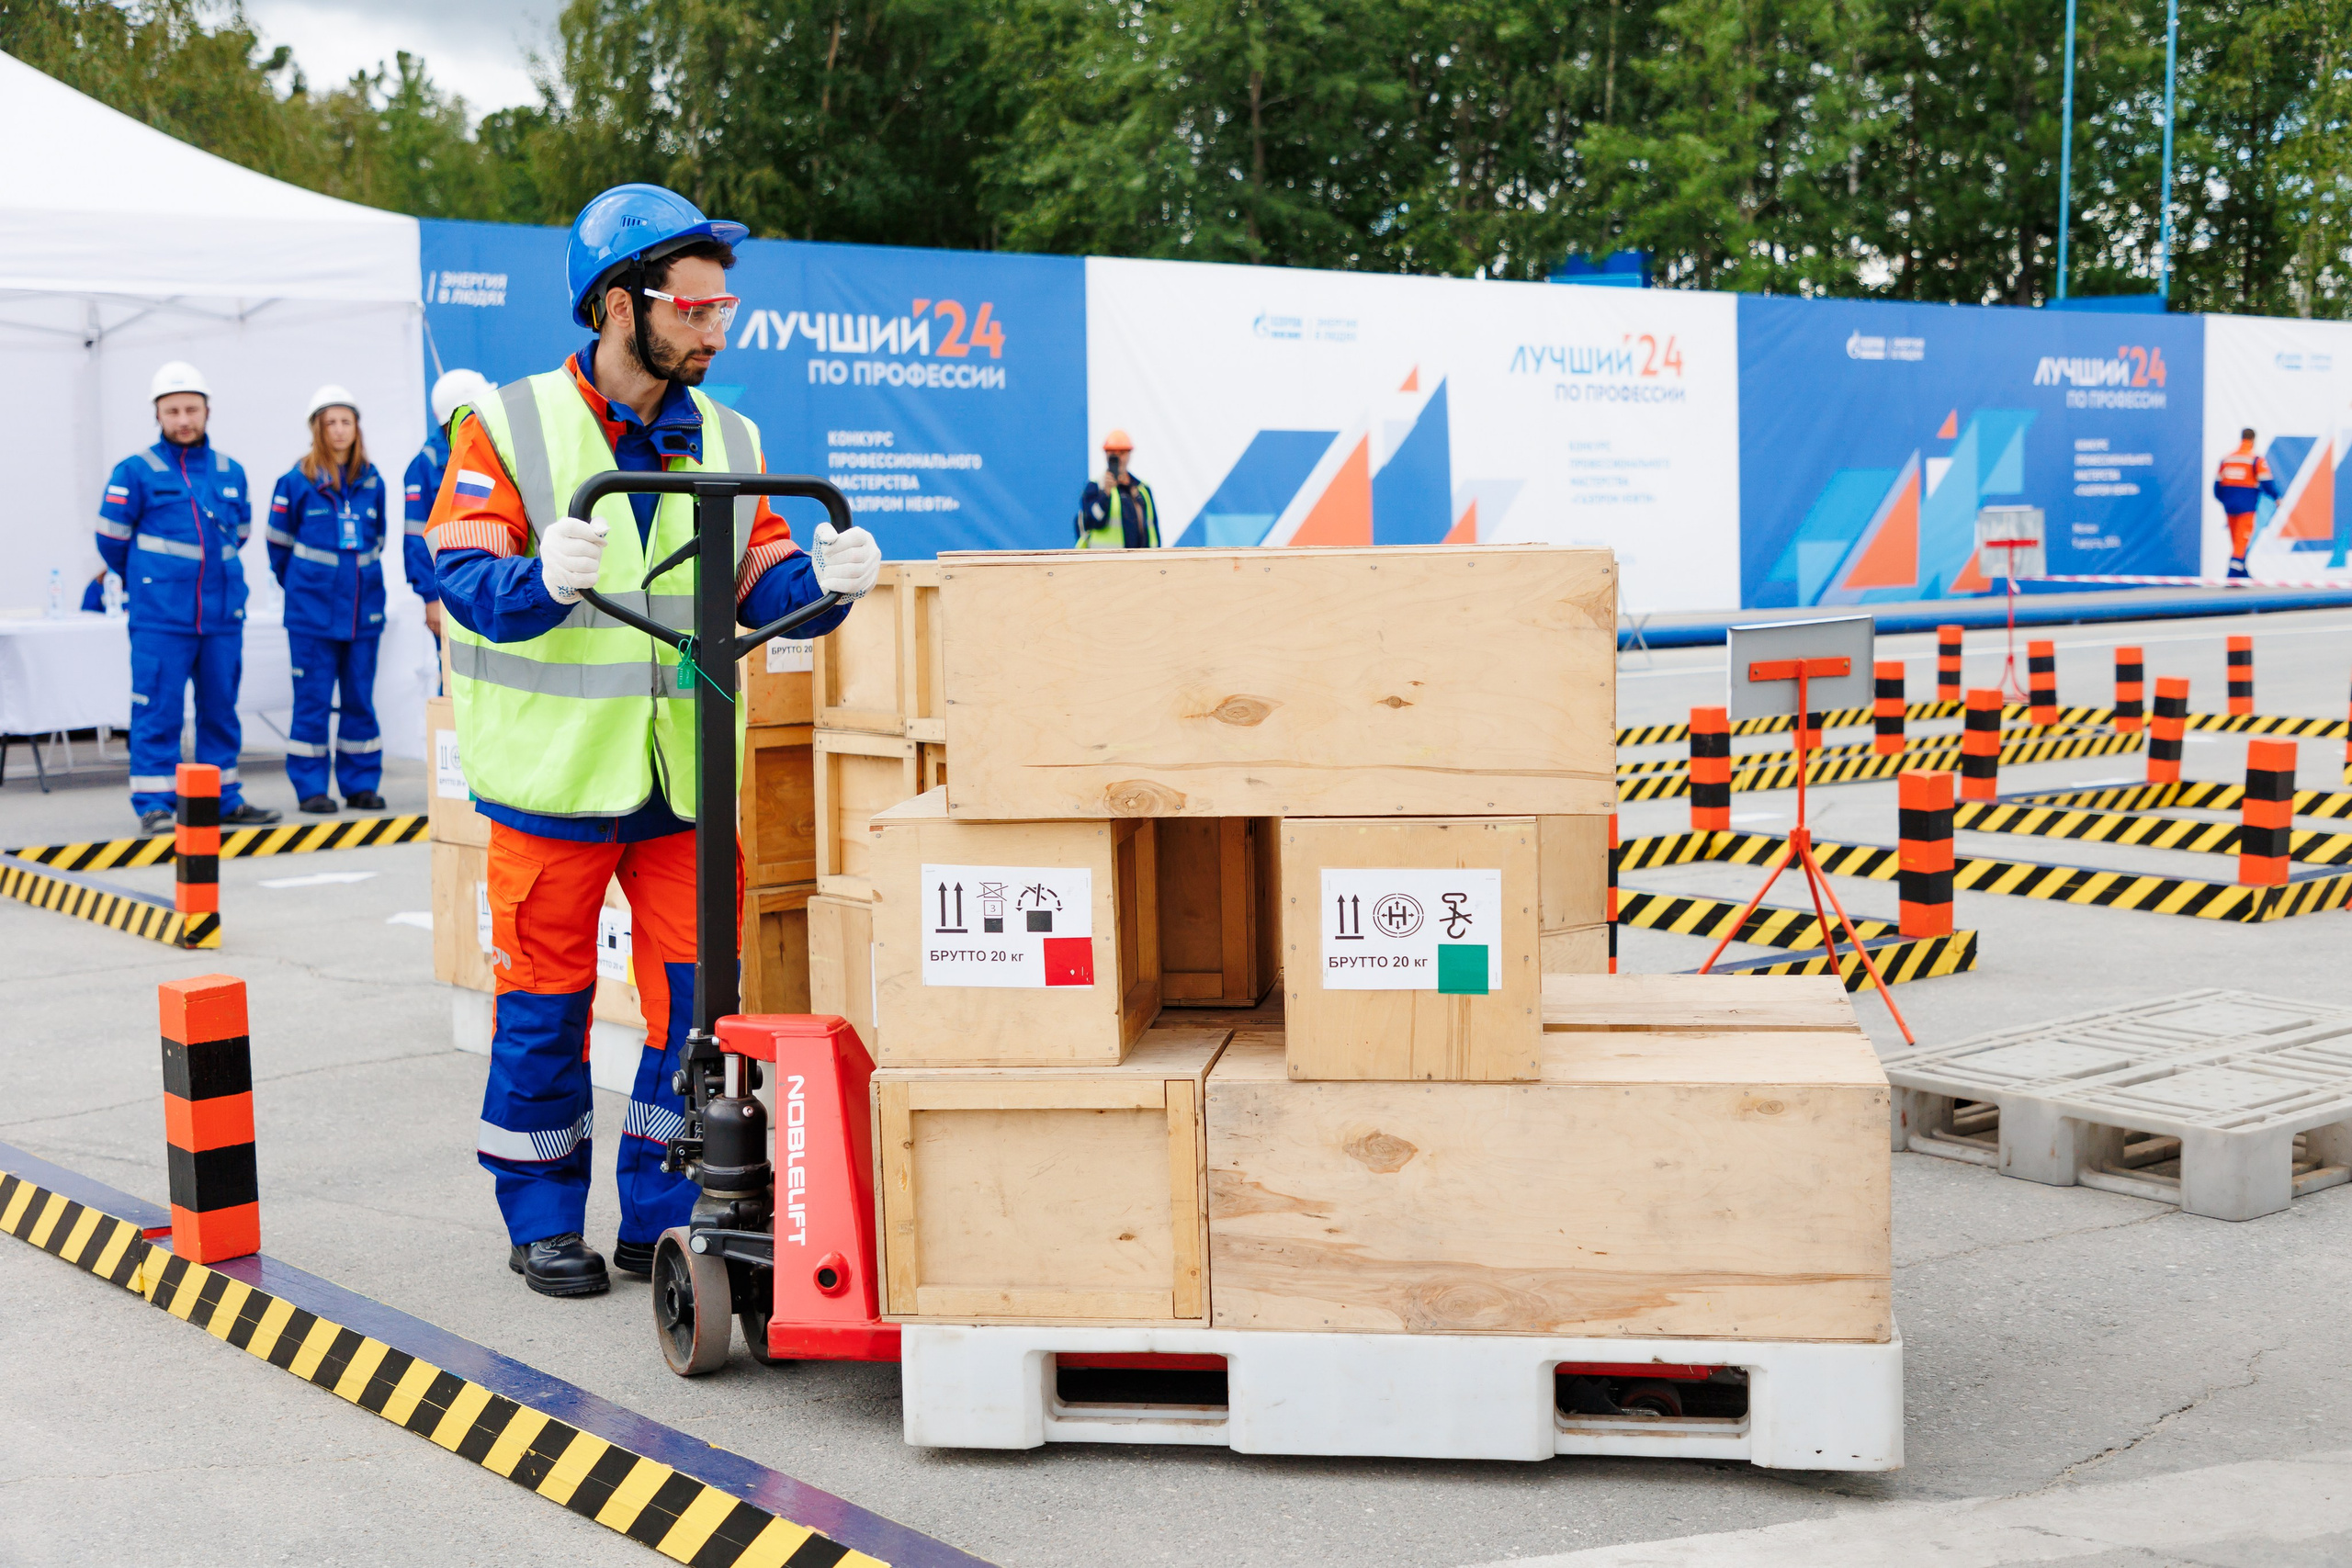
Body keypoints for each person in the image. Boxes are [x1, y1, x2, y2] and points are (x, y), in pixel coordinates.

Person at [426, 183, 882, 1298]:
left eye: (723, 308)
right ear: (618, 305)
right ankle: (540, 1216)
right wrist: (535, 579)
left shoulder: (730, 433)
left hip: (682, 782)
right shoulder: (514, 420)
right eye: (696, 307)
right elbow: (461, 570)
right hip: (552, 786)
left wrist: (818, 587)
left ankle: (663, 1215)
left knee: (692, 1012)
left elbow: (759, 566)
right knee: (544, 1012)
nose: (714, 328)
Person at [96, 362, 282, 834]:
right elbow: (112, 540)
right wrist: (150, 581)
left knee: (221, 710)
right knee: (156, 710)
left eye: (191, 409)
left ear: (207, 411)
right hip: (161, 621)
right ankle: (155, 803)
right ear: (157, 414)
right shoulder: (134, 471)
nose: (183, 419)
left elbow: (238, 534)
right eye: (173, 410)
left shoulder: (230, 470)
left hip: (221, 617)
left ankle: (223, 798)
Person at [267, 386, 391, 814]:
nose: (339, 430)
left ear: (357, 427)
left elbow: (378, 541)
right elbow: (277, 548)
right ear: (317, 429)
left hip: (363, 613)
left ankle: (360, 785)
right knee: (313, 702)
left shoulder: (373, 481)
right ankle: (311, 788)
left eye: (346, 421)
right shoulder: (295, 482)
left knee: (359, 699)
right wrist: (306, 589)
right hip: (311, 616)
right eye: (330, 422)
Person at [407, 369, 496, 664]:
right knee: (453, 674)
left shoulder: (491, 447)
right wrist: (431, 598)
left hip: (490, 582)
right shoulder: (427, 465)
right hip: (449, 590)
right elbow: (416, 539)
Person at [1074, 428, 1159, 547]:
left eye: (1122, 452)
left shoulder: (1142, 489)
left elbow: (1152, 528)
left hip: (1140, 562)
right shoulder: (1095, 487)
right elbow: (1094, 521)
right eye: (1113, 452)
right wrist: (1105, 494)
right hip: (1107, 562)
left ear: (1129, 454)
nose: (1118, 457)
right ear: (1106, 455)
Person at [2215, 428, 2280, 581]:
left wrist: (2226, 500)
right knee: (2242, 539)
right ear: (2253, 440)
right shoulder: (2255, 460)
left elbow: (2217, 487)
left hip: (2229, 506)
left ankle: (2242, 570)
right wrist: (2276, 497)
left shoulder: (2227, 459)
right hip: (2246, 506)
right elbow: (2266, 482)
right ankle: (2233, 574)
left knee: (2236, 539)